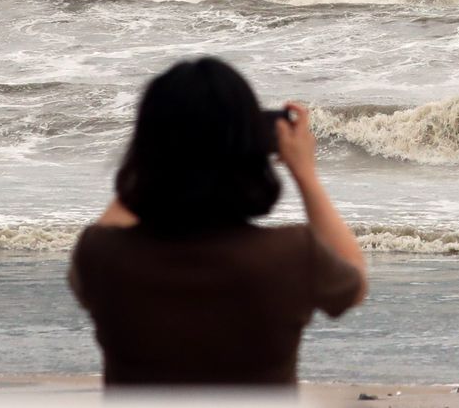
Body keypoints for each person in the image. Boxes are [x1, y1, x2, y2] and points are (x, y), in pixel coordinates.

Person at [68, 57, 368, 386]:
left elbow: (101, 248)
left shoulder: (102, 255)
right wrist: (305, 173)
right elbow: (354, 282)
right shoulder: (292, 255)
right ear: (252, 146)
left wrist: (155, 161)